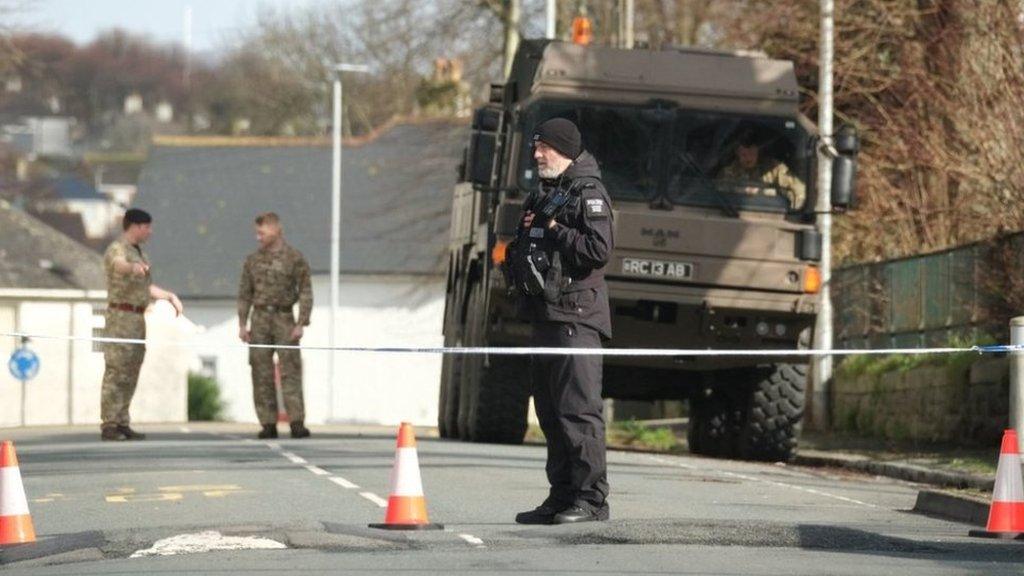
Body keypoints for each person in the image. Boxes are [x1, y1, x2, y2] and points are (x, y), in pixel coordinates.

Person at [512, 118, 615, 525]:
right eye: (535, 147)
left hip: (577, 317)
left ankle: (591, 500)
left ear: (565, 149)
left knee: (578, 412)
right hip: (545, 316)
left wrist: (553, 229)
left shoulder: (589, 193)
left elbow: (597, 250)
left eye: (544, 148)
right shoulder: (544, 194)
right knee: (550, 413)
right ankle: (562, 495)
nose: (536, 155)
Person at [101, 208, 183, 441]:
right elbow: (119, 265)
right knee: (116, 371)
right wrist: (132, 268)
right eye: (147, 227)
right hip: (120, 318)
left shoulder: (140, 253)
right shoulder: (118, 250)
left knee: (131, 371)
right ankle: (109, 423)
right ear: (135, 226)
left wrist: (168, 296)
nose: (150, 231)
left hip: (137, 318)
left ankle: (122, 420)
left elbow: (144, 288)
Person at [237, 212, 313, 439]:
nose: (258, 237)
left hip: (284, 318)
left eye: (261, 232)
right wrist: (242, 323)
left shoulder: (294, 258)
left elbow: (306, 292)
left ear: (275, 230)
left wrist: (301, 322)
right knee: (261, 371)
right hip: (259, 319)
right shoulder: (252, 260)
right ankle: (267, 423)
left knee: (290, 370)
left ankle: (296, 422)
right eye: (257, 232)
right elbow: (244, 294)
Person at [719, 130, 806, 208]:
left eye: (752, 153)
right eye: (744, 154)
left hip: (770, 213)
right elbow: (718, 197)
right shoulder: (728, 173)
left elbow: (799, 190)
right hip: (735, 212)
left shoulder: (774, 169)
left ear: (758, 151)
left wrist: (794, 212)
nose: (748, 158)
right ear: (737, 153)